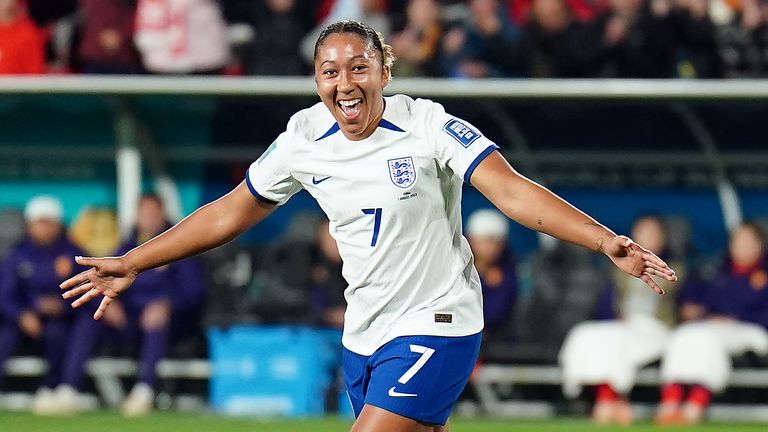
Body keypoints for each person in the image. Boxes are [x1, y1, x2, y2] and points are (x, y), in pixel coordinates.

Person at [60, 20, 676, 432]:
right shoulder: (303, 138)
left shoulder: (429, 125)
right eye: (330, 72)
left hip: (438, 322)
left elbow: (510, 190)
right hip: (365, 333)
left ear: (385, 70)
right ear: (317, 82)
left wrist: (603, 240)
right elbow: (231, 210)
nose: (345, 83)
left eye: (359, 67)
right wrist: (136, 260)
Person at [559, 215, 683, 425]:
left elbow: (684, 306)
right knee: (585, 333)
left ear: (663, 238)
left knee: (618, 340)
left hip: (657, 328)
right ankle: (596, 396)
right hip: (624, 324)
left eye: (652, 233)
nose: (646, 238)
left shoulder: (678, 270)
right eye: (642, 232)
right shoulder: (617, 268)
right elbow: (606, 304)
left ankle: (609, 399)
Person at [655, 222, 768, 425]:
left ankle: (696, 404)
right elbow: (695, 299)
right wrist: (697, 311)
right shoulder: (717, 271)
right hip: (710, 325)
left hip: (752, 330)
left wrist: (737, 318)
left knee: (707, 339)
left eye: (748, 241)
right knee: (683, 334)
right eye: (737, 241)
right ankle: (670, 401)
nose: (741, 246)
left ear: (759, 244)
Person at [0, 196, 88, 414]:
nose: (44, 229)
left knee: (59, 332)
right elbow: (6, 296)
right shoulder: (18, 254)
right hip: (22, 321)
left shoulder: (72, 252)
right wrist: (24, 313)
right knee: (5, 335)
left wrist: (62, 306)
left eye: (48, 223)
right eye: (39, 223)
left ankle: (53, 388)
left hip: (61, 320)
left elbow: (87, 289)